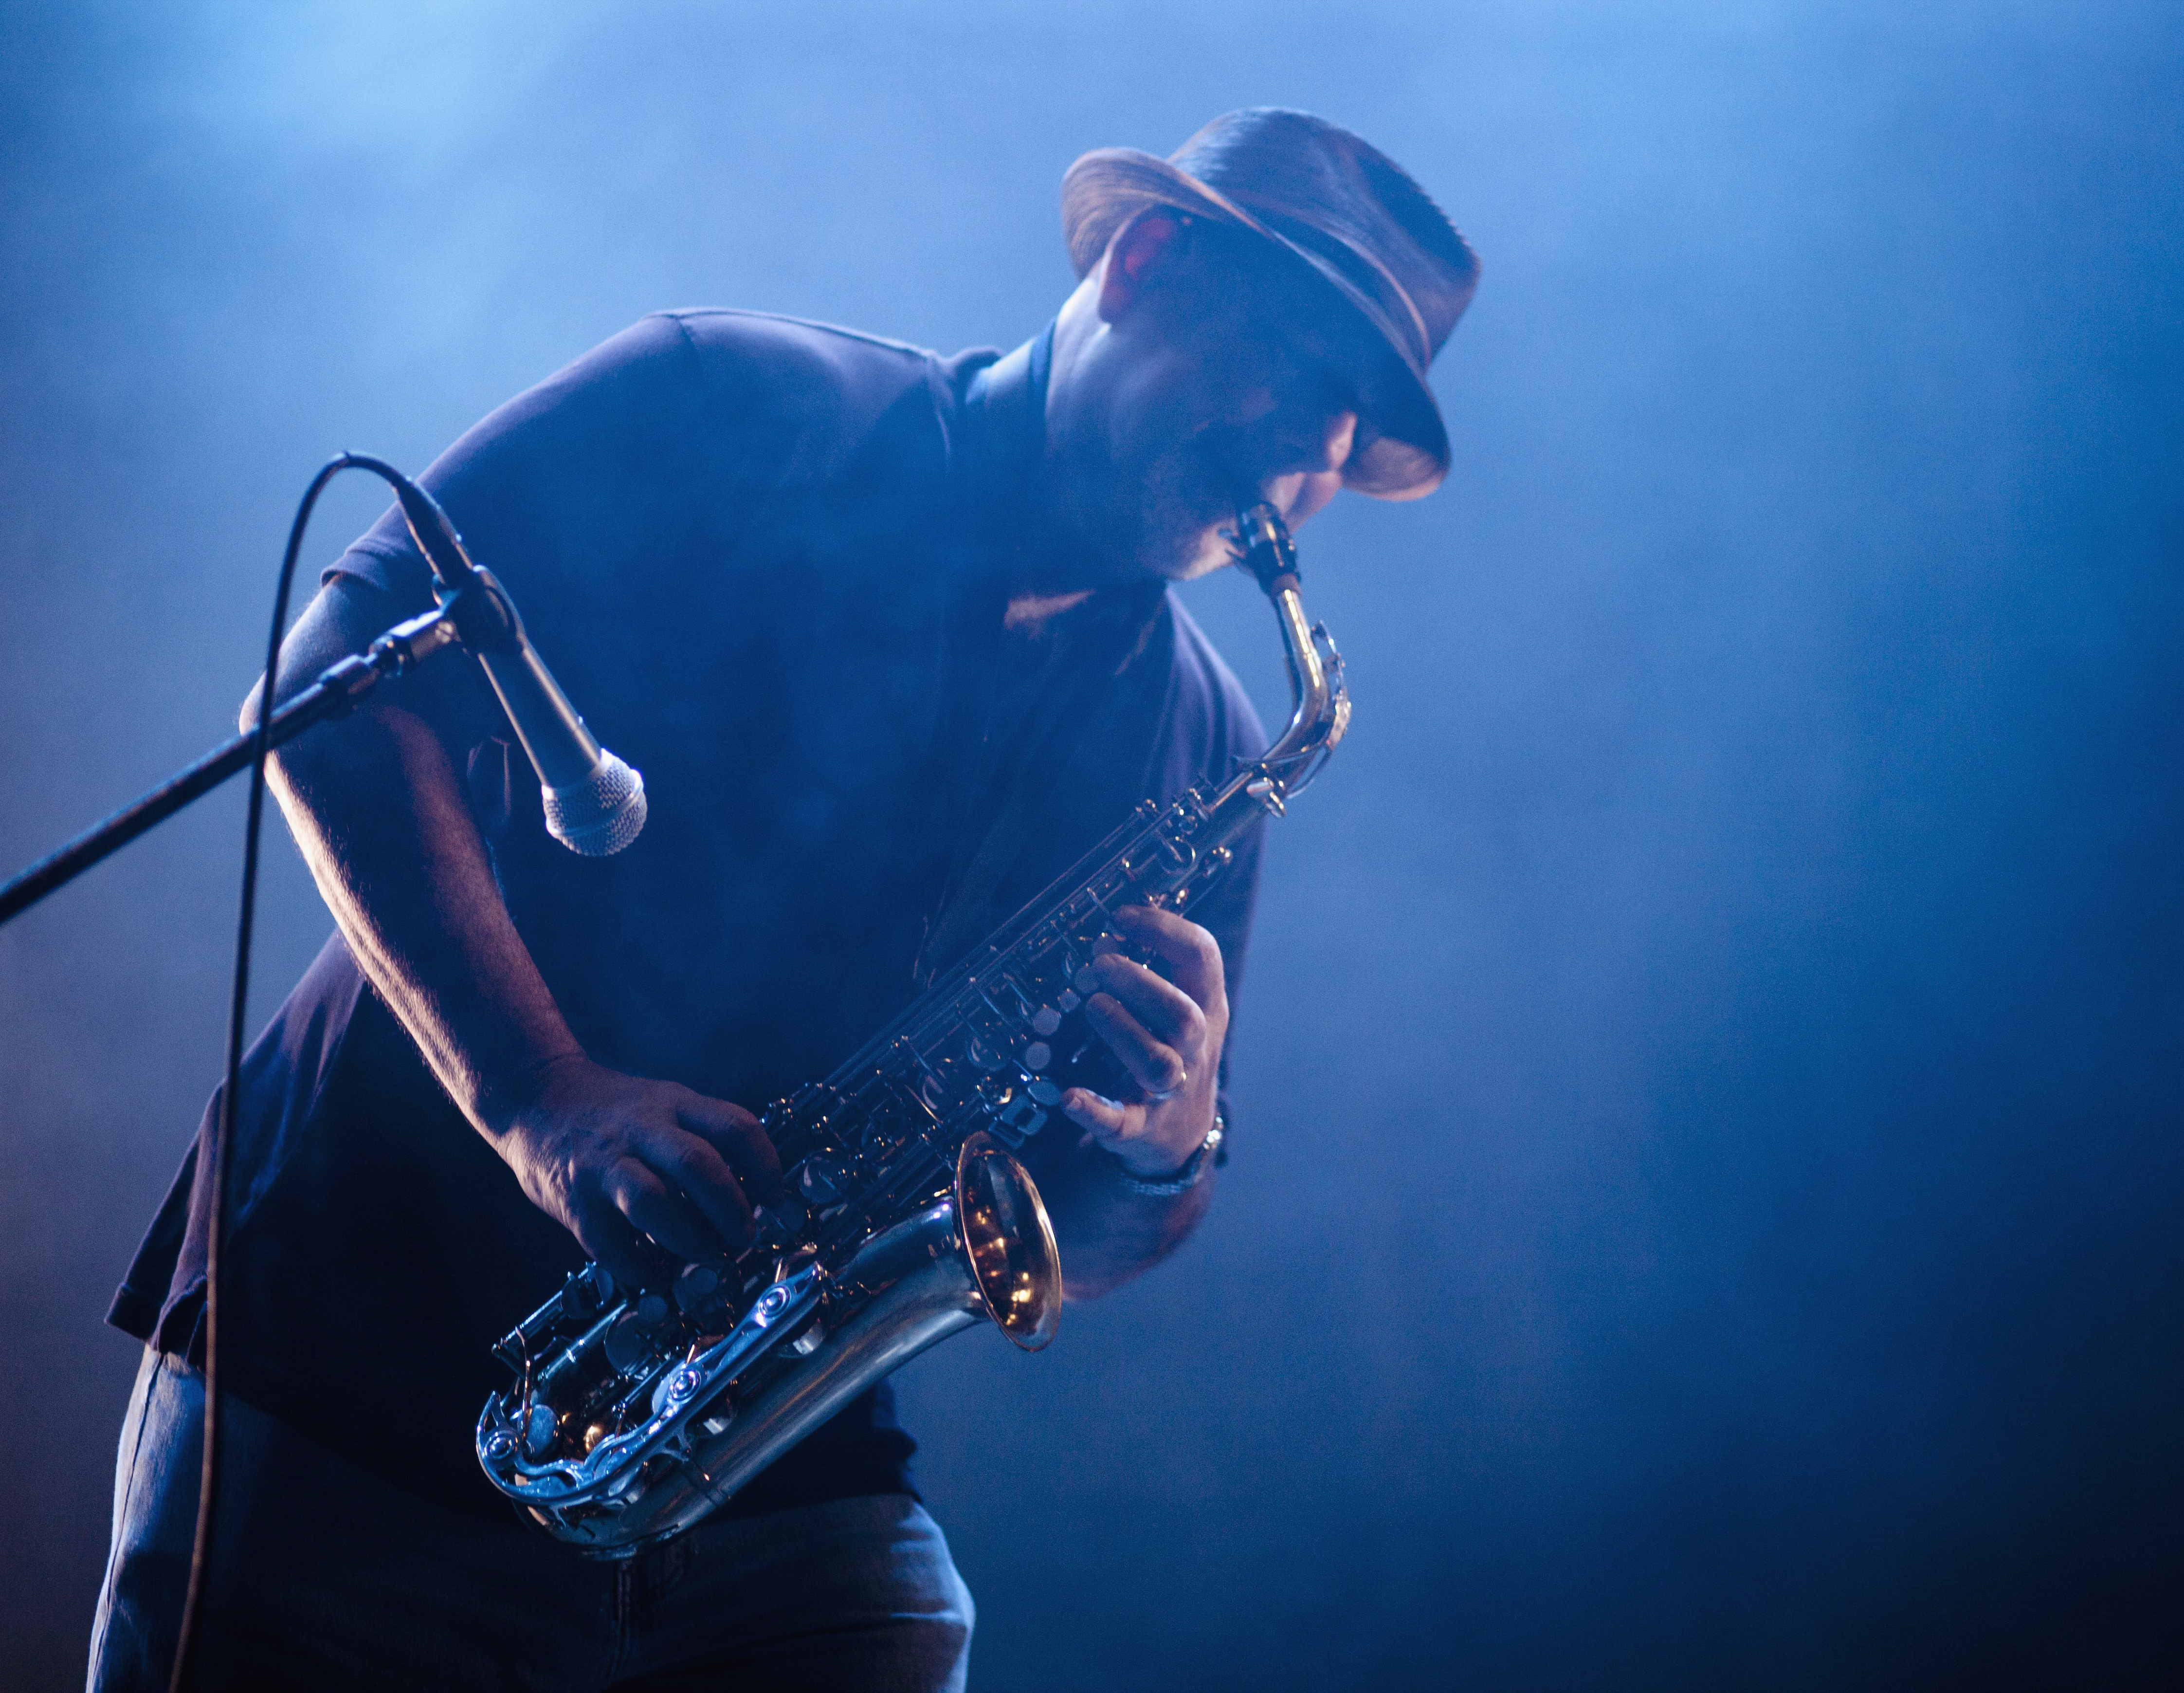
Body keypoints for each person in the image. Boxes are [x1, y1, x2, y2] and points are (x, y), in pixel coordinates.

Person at [87, 108, 1479, 1692]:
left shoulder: (1209, 745)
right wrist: (547, 1101)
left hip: (747, 1463)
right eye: (1293, 379)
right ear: (1145, 262)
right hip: (359, 1364)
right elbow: (335, 683)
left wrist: (1166, 1145)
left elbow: (1073, 1227)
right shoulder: (734, 403)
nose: (1304, 470)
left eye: (1349, 439)